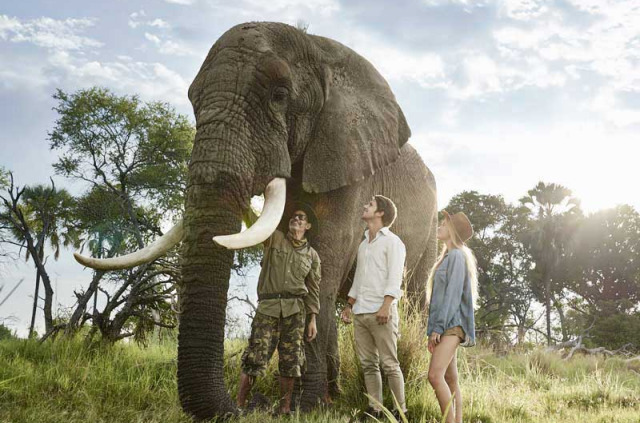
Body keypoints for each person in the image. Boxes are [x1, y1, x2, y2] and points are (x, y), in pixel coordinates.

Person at [236, 204, 321, 415]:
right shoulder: (274, 238)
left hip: (295, 312)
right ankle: (238, 404)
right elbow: (255, 224)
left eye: (301, 217)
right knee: (255, 357)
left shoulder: (312, 256)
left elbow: (313, 289)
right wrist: (244, 207)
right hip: (268, 308)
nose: (297, 219)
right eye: (293, 216)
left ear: (308, 225)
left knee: (291, 360)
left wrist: (312, 319)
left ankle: (284, 409)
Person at [340, 195, 407, 420]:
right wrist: (350, 305)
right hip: (361, 312)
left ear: (380, 213)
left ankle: (400, 412)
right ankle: (375, 409)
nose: (365, 206)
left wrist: (386, 306)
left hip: (382, 313)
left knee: (389, 364)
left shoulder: (393, 242)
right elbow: (359, 278)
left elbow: (395, 276)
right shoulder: (363, 244)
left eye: (370, 205)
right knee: (369, 364)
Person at [426, 210, 478, 423]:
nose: (439, 226)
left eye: (443, 224)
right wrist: (433, 329)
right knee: (450, 378)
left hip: (450, 326)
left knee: (434, 375)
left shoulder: (456, 256)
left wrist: (437, 328)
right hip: (446, 325)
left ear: (452, 231)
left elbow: (452, 296)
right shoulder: (447, 257)